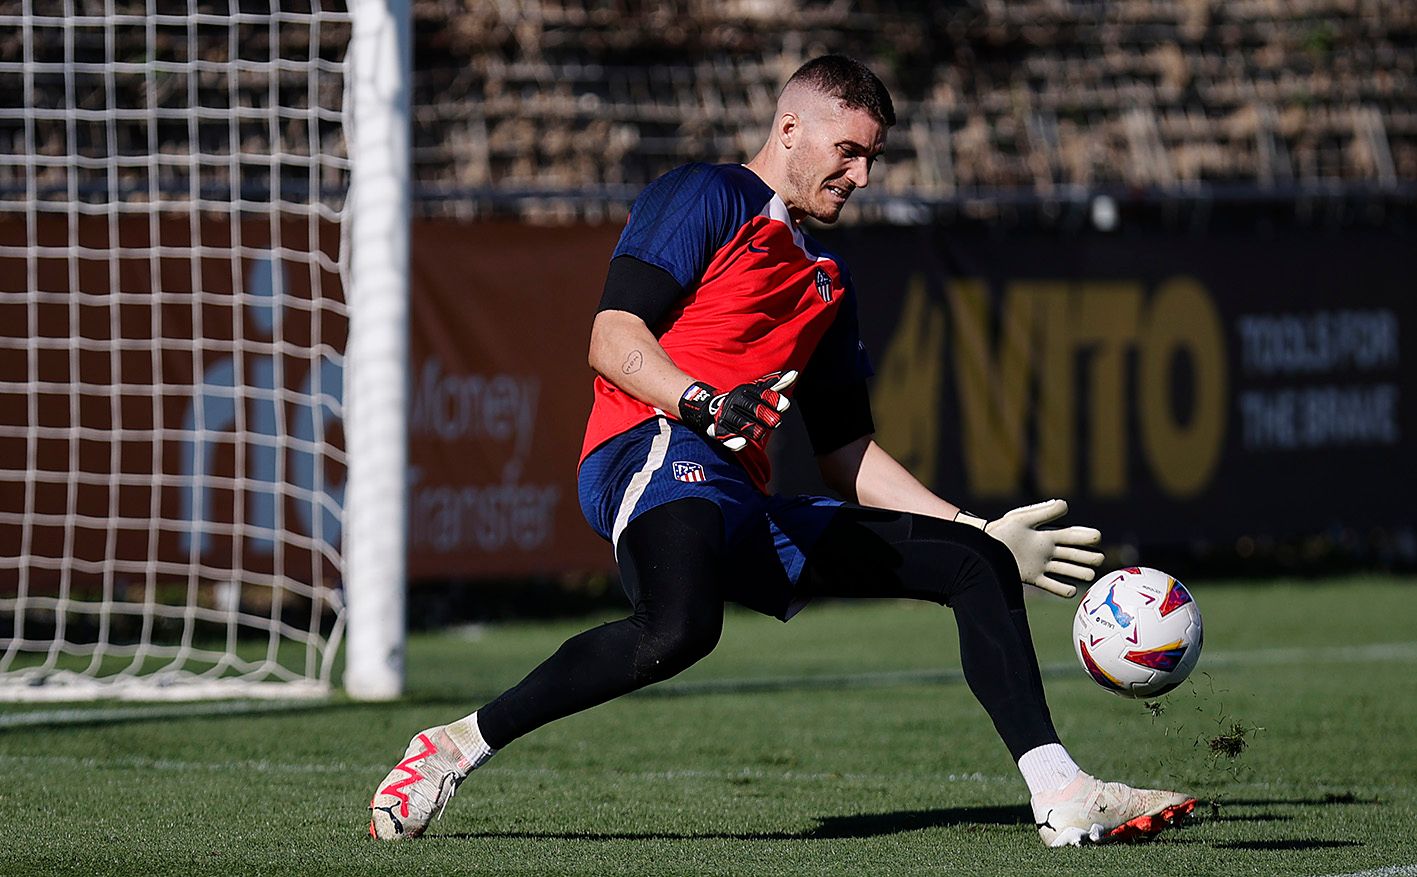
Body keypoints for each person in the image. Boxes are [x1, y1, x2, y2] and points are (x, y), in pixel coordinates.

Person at [368, 55, 1195, 848]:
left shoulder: (828, 280)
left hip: (738, 495)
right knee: (680, 627)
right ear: (790, 127)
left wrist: (976, 526)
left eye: (872, 158)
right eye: (848, 151)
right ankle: (452, 745)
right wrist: (703, 401)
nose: (862, 176)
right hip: (655, 447)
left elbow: (846, 453)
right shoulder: (710, 192)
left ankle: (1060, 791)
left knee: (969, 564)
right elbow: (611, 333)